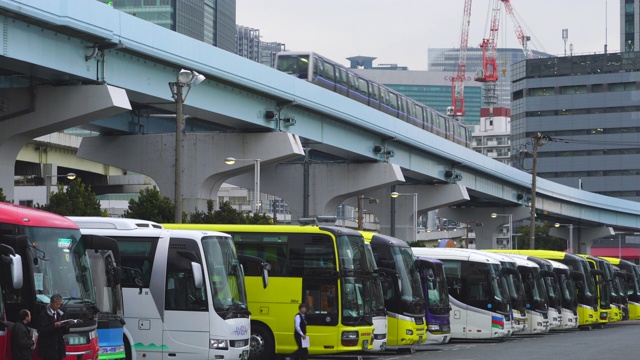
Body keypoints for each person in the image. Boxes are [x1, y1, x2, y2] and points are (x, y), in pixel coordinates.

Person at [36, 294, 70, 360]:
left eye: (60, 304)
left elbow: (62, 332)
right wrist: (54, 326)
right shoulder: (44, 314)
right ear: (51, 303)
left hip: (58, 348)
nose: (58, 306)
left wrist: (66, 326)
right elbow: (42, 330)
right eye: (57, 304)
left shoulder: (60, 313)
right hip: (48, 348)